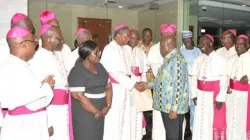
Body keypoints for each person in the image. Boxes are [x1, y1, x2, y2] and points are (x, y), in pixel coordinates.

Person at [0, 26, 54, 140]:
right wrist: (45, 87)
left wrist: (43, 86)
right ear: (23, 44)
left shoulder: (21, 65)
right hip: (24, 127)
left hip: (31, 123)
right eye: (33, 42)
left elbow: (27, 92)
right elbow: (8, 100)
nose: (36, 45)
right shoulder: (12, 67)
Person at [100, 24, 146, 140]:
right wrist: (134, 84)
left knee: (125, 121)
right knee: (115, 120)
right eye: (126, 37)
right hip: (115, 90)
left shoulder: (123, 49)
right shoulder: (109, 49)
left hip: (125, 89)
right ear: (118, 35)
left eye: (128, 37)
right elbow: (115, 73)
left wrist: (138, 82)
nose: (127, 40)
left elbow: (129, 71)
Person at [29, 24, 70, 140]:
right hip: (52, 110)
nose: (61, 40)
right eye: (59, 37)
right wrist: (48, 122)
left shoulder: (56, 55)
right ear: (48, 38)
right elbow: (39, 92)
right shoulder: (38, 58)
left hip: (63, 108)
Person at [0, 13, 39, 131]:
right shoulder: (2, 48)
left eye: (32, 29)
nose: (31, 32)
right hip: (10, 111)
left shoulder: (32, 45)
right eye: (28, 29)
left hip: (32, 111)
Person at [68, 40, 112, 140]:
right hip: (85, 112)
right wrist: (96, 112)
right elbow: (79, 96)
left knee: (97, 136)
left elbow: (108, 86)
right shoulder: (77, 70)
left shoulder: (99, 66)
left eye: (99, 51)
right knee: (86, 135)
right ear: (87, 54)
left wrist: (108, 105)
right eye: (96, 52)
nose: (99, 55)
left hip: (101, 110)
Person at [147, 36, 189, 140]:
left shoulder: (177, 60)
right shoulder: (169, 59)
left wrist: (174, 109)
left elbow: (179, 85)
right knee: (172, 135)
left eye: (161, 46)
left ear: (169, 46)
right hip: (167, 105)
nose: (160, 49)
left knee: (173, 136)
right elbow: (162, 80)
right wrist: (147, 85)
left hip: (172, 107)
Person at [191, 34, 227, 140]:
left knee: (211, 120)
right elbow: (194, 78)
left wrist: (220, 97)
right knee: (200, 120)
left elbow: (224, 79)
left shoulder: (220, 59)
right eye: (199, 43)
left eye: (203, 43)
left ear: (211, 44)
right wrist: (194, 95)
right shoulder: (198, 59)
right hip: (200, 94)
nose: (200, 45)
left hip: (213, 96)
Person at [148, 24, 176, 140]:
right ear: (162, 35)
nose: (169, 37)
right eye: (166, 35)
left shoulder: (175, 49)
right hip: (161, 90)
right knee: (159, 120)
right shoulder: (155, 49)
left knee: (173, 122)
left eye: (171, 35)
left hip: (173, 92)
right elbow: (157, 74)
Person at [123, 28, 148, 139]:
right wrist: (134, 83)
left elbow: (144, 72)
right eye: (131, 38)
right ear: (128, 38)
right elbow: (123, 73)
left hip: (139, 87)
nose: (134, 40)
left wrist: (143, 83)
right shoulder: (122, 51)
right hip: (128, 87)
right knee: (128, 113)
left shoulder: (140, 52)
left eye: (136, 38)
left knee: (138, 113)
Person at [227, 34, 250, 140]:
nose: (238, 46)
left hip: (245, 97)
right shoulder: (231, 59)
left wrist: (248, 76)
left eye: (241, 44)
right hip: (231, 95)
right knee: (231, 119)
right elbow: (226, 75)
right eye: (236, 44)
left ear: (248, 45)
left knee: (242, 121)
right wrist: (227, 86)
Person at [180, 31, 201, 133]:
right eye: (185, 39)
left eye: (189, 39)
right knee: (182, 109)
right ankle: (182, 130)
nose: (187, 41)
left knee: (194, 108)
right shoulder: (180, 52)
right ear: (183, 41)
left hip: (195, 84)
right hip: (184, 83)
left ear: (192, 39)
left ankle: (194, 130)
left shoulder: (198, 51)